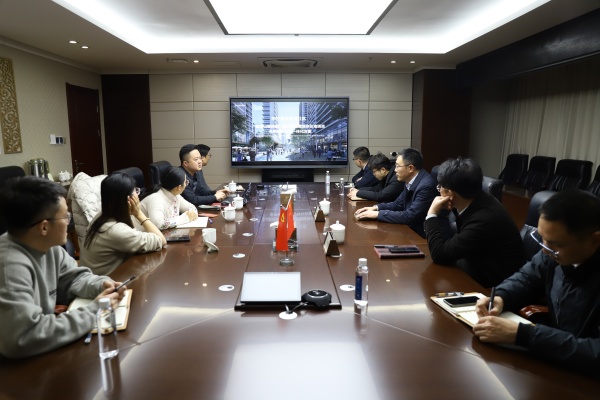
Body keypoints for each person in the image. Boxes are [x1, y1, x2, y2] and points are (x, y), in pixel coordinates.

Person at [473, 190, 600, 376]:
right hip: (554, 358)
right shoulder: (553, 251)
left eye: (556, 244)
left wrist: (524, 335)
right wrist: (501, 296)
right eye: (542, 238)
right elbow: (527, 277)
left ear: (595, 240)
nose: (545, 250)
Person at [0, 176, 127, 359]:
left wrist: (101, 284)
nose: (69, 222)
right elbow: (23, 338)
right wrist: (95, 310)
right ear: (44, 227)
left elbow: (74, 278)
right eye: (66, 216)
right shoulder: (9, 266)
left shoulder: (47, 246)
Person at [425, 157, 525, 287]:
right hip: (473, 268)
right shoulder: (476, 199)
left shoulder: (484, 219)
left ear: (450, 193)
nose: (438, 190)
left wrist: (432, 214)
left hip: (493, 287)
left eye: (440, 187)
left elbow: (440, 254)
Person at [80, 172, 166, 276]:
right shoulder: (116, 230)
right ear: (129, 199)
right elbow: (161, 240)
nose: (138, 195)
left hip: (95, 279)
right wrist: (139, 214)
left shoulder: (101, 216)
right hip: (106, 283)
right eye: (136, 191)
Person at [354, 148, 437, 237]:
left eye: (397, 166)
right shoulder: (410, 180)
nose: (395, 170)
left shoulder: (426, 186)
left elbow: (410, 216)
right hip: (410, 230)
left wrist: (378, 214)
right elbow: (397, 204)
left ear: (410, 168)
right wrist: (375, 208)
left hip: (420, 235)